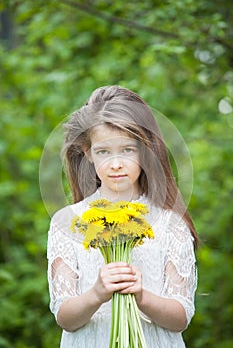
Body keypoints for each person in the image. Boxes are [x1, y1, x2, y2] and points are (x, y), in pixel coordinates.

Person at [47, 85, 198, 347]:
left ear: (145, 150)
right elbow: (65, 317)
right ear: (88, 153)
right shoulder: (66, 222)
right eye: (104, 151)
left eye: (127, 150)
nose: (115, 164)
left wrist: (141, 296)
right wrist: (97, 293)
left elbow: (180, 317)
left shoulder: (169, 223)